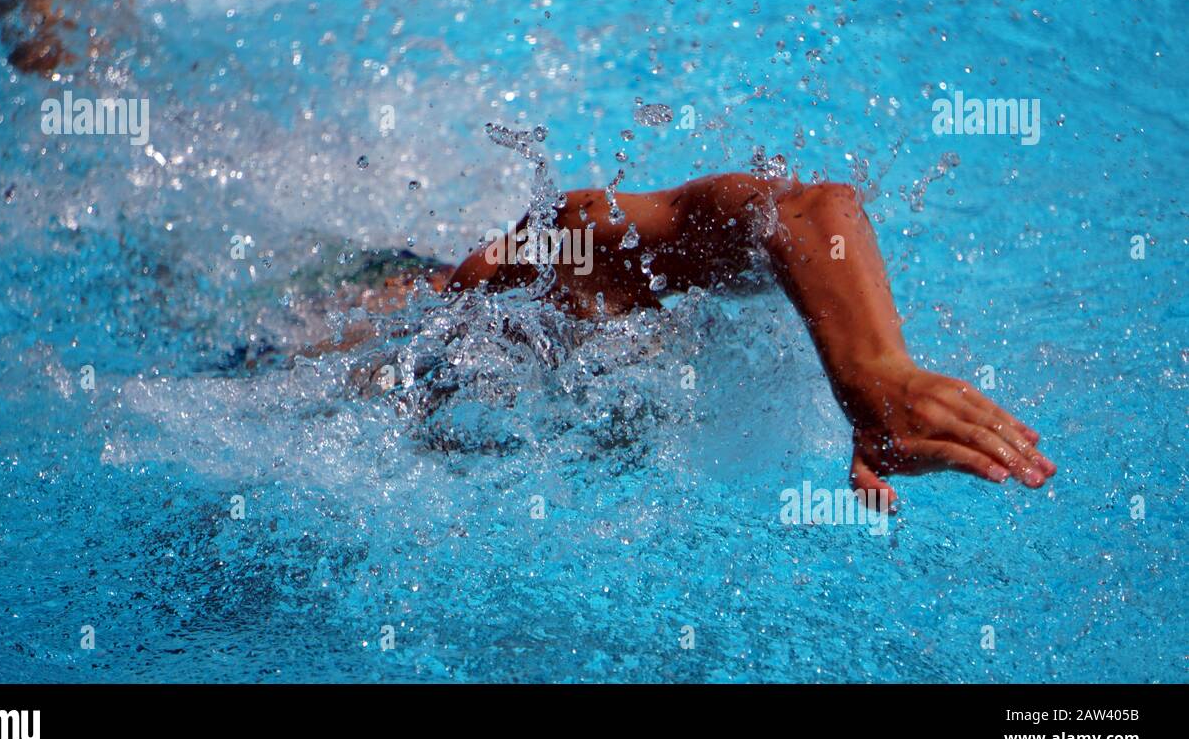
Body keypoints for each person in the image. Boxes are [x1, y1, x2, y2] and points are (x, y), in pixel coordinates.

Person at [304, 173, 1054, 509]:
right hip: (303, 330)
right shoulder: (470, 319)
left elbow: (802, 209)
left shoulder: (566, 268)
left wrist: (876, 374)